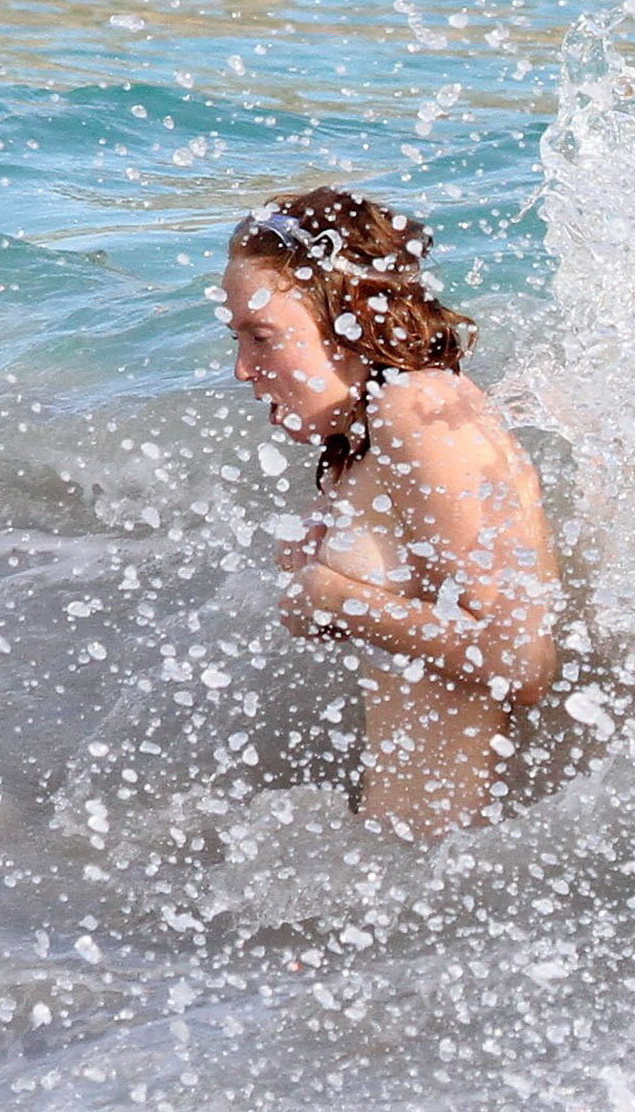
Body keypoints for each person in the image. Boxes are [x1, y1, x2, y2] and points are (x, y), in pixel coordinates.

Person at [220, 186, 561, 840]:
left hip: (459, 868)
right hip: (414, 863)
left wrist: (332, 593)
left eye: (262, 337)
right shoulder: (368, 432)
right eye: (238, 338)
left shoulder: (420, 411)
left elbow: (523, 662)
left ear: (348, 321)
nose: (242, 369)